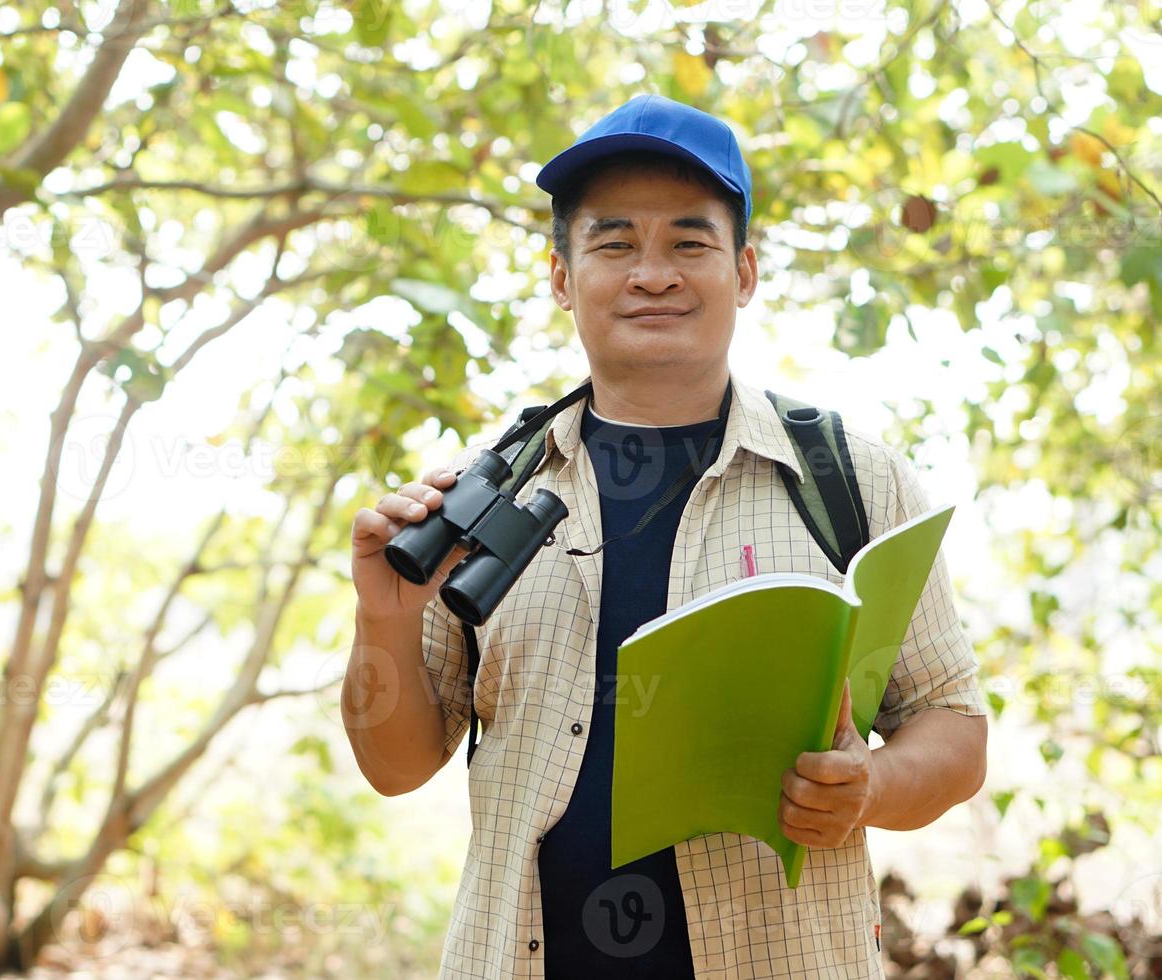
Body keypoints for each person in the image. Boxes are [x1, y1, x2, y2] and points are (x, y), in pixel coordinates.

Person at [343, 93, 987, 978]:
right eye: (614, 244)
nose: (653, 274)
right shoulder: (483, 494)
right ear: (563, 276)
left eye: (690, 243)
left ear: (745, 271)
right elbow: (396, 766)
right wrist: (382, 616)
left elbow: (953, 725)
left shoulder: (850, 477)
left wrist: (868, 788)